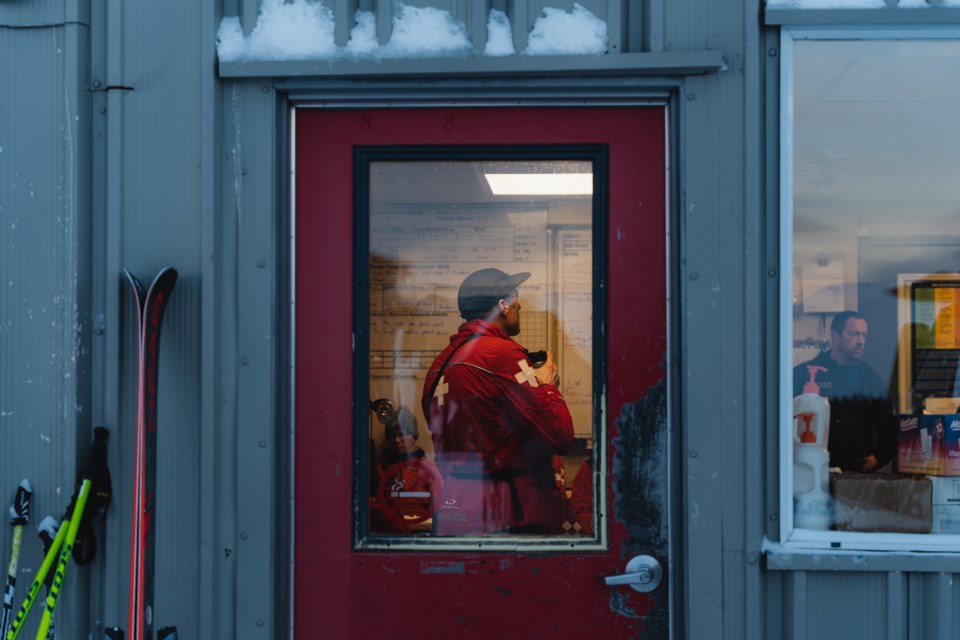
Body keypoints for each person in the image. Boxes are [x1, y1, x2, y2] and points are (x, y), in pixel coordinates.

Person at [421, 268, 574, 534]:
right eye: (515, 297)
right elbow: (560, 434)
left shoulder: (440, 363)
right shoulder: (501, 353)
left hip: (453, 504)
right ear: (502, 306)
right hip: (501, 511)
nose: (519, 304)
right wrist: (547, 387)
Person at [792, 310, 898, 473]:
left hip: (856, 472)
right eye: (854, 334)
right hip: (813, 469)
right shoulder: (805, 374)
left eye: (864, 335)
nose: (860, 341)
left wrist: (879, 457)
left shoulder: (869, 379)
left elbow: (890, 424)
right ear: (835, 336)